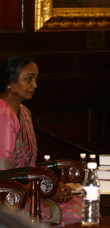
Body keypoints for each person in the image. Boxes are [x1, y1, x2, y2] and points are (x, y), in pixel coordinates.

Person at [0, 54, 82, 226]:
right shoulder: (3, 115)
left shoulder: (24, 112)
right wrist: (47, 190)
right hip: (10, 202)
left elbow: (27, 168)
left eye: (36, 79)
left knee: (84, 206)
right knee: (83, 212)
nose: (35, 85)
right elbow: (5, 181)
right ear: (9, 82)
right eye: (29, 79)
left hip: (27, 193)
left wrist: (53, 185)